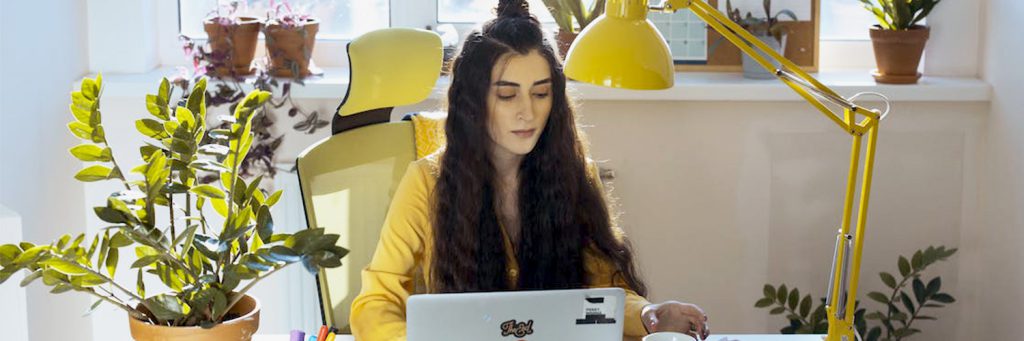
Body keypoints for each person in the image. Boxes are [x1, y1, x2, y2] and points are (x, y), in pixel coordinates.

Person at [349, 0, 710, 339]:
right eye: (507, 95)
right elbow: (376, 302)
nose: (528, 112)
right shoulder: (427, 182)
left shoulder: (575, 175)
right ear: (474, 102)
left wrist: (648, 314)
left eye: (540, 93)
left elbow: (605, 292)